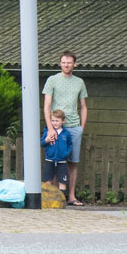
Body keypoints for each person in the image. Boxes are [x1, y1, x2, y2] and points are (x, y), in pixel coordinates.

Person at [43, 51, 89, 206]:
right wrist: (50, 128)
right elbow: (47, 106)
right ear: (60, 63)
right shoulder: (52, 80)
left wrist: (81, 127)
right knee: (56, 161)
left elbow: (83, 106)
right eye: (63, 62)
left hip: (74, 127)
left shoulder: (79, 82)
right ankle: (55, 197)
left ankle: (71, 196)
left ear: (74, 64)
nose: (66, 65)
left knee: (72, 162)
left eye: (69, 62)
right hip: (56, 127)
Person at [42, 108, 73, 196]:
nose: (54, 123)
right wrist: (46, 140)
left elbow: (70, 144)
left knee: (62, 181)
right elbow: (41, 143)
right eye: (53, 120)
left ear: (63, 121)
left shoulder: (66, 133)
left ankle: (61, 199)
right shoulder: (47, 132)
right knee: (47, 180)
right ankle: (48, 198)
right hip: (49, 160)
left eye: (57, 121)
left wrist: (66, 154)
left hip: (62, 161)